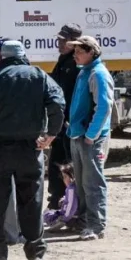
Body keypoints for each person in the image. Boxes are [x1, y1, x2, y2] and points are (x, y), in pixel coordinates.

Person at [0, 39, 65, 260]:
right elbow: (57, 104)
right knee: (31, 200)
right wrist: (51, 134)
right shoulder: (39, 76)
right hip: (29, 150)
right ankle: (36, 254)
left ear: (3, 56)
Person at [66, 35, 114, 241]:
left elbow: (104, 106)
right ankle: (85, 221)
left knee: (93, 183)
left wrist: (91, 135)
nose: (75, 55)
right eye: (74, 51)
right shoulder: (85, 72)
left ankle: (96, 225)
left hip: (89, 139)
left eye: (79, 51)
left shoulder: (98, 74)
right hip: (78, 135)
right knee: (83, 183)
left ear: (91, 52)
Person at [48, 24, 83, 211]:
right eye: (59, 39)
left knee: (70, 167)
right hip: (61, 123)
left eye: (63, 40)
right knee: (57, 165)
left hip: (72, 124)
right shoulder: (63, 61)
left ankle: (72, 207)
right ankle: (56, 201)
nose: (59, 43)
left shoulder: (78, 66)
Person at [44, 163, 79, 232]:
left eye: (65, 177)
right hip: (74, 215)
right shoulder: (77, 187)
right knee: (49, 213)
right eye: (63, 177)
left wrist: (63, 219)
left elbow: (71, 206)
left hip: (71, 217)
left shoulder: (71, 189)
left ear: (73, 176)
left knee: (47, 215)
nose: (64, 179)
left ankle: (67, 224)